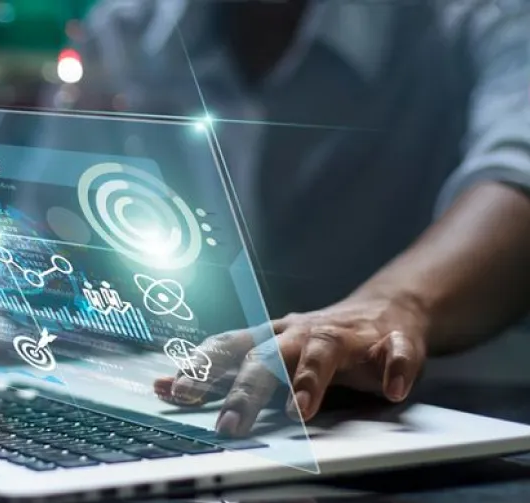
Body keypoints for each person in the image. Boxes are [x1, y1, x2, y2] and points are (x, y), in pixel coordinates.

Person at [41, 0, 530, 436]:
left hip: (449, 417)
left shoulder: (480, 14)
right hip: (211, 412)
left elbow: (517, 174)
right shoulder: (124, 29)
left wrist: (398, 305)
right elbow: (49, 232)